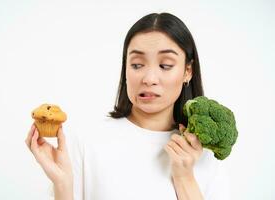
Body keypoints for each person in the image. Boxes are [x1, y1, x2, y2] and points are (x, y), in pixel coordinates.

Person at [25, 12, 230, 200]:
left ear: (188, 71)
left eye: (165, 65)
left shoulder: (205, 155)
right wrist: (62, 184)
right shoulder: (85, 141)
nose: (149, 78)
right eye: (137, 65)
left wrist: (184, 177)